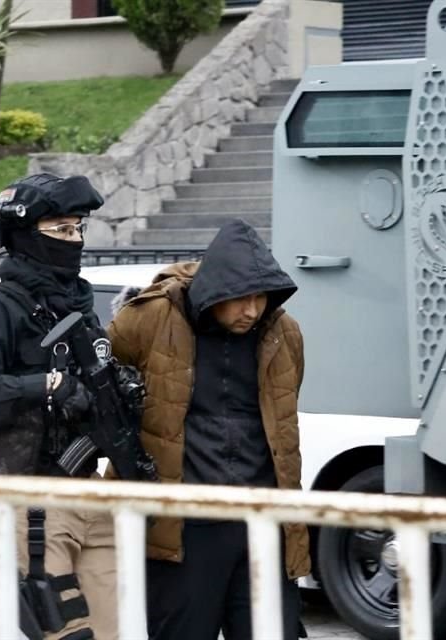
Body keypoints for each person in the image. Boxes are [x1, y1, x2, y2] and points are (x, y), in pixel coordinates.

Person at [107, 219, 310, 640]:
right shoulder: (149, 318)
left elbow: (282, 422)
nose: (252, 309)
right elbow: (104, 390)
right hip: (185, 525)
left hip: (264, 520)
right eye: (240, 298)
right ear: (214, 290)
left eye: (261, 297)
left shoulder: (283, 333)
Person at [0, 173, 118, 640]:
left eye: (78, 228)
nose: (74, 239)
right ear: (23, 236)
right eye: (60, 230)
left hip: (90, 494)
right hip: (31, 501)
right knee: (65, 633)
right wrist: (44, 385)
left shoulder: (76, 306)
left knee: (116, 630)